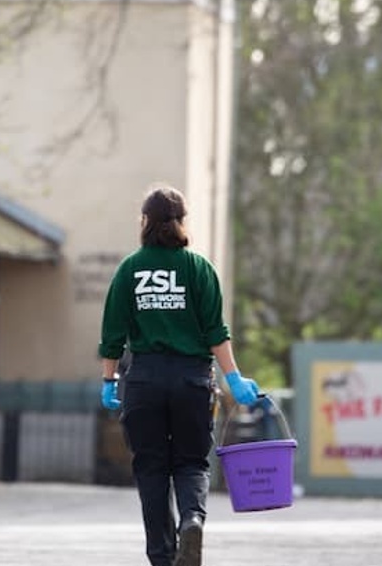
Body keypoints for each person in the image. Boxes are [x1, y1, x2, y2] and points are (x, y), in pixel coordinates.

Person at [99, 184, 260, 566]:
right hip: (192, 380)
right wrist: (234, 378)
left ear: (144, 222)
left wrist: (109, 381)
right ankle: (192, 519)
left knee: (151, 467)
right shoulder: (199, 268)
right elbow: (215, 333)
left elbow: (112, 336)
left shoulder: (130, 269)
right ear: (181, 222)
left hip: (145, 380)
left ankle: (161, 556)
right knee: (191, 463)